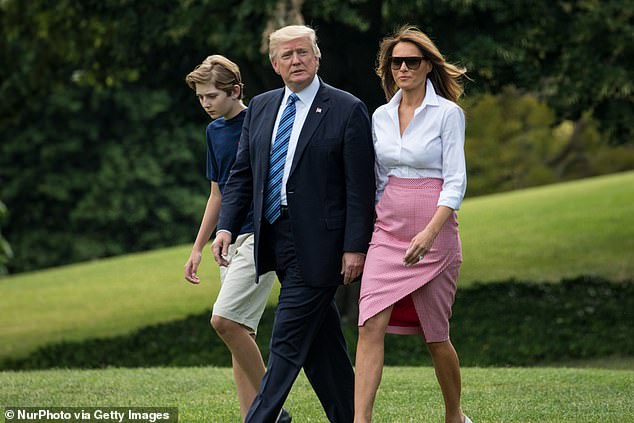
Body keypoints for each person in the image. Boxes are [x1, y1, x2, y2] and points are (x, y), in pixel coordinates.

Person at [212, 25, 375, 423]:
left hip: (321, 244)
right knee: (322, 348)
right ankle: (348, 416)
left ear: (317, 57)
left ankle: (262, 418)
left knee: (285, 340)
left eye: (303, 52)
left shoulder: (346, 108)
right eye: (287, 55)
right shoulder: (263, 108)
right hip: (274, 237)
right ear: (274, 64)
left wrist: (355, 246)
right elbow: (242, 176)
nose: (296, 60)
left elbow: (360, 187)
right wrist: (225, 227)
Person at [354, 26, 472, 423]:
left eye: (412, 61)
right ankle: (361, 419)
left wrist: (430, 231)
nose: (403, 68)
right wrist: (374, 227)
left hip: (435, 234)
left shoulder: (448, 114)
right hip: (388, 232)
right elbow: (379, 179)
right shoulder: (380, 116)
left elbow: (455, 181)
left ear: (427, 66)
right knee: (370, 323)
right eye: (396, 62)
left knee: (436, 336)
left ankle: (454, 413)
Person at [183, 55, 290, 423]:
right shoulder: (213, 133)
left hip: (260, 238)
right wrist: (198, 246)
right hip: (226, 243)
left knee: (223, 320)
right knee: (237, 333)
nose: (206, 103)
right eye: (200, 97)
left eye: (211, 95)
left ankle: (272, 405)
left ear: (236, 91)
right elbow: (218, 194)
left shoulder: (262, 121)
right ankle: (256, 419)